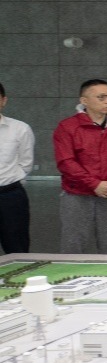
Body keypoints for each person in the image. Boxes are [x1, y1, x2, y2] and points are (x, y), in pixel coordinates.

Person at [54, 79, 107, 255]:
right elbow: (66, 161)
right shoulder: (68, 126)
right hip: (78, 195)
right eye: (101, 97)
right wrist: (94, 184)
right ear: (84, 101)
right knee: (74, 243)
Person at [0, 83, 33, 254]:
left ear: (4, 100)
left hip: (10, 196)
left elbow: (26, 163)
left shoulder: (20, 129)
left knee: (17, 248)